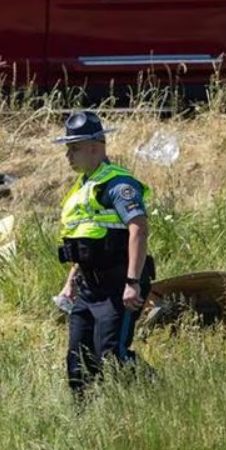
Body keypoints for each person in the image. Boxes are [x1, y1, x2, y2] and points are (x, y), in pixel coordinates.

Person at [53, 110, 154, 398]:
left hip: (118, 284)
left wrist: (132, 282)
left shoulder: (118, 185)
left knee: (112, 355)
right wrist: (71, 280)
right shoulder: (82, 186)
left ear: (96, 147)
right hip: (88, 286)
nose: (68, 156)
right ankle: (84, 419)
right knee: (78, 361)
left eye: (75, 148)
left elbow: (139, 229)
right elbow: (85, 241)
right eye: (67, 149)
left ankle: (158, 394)